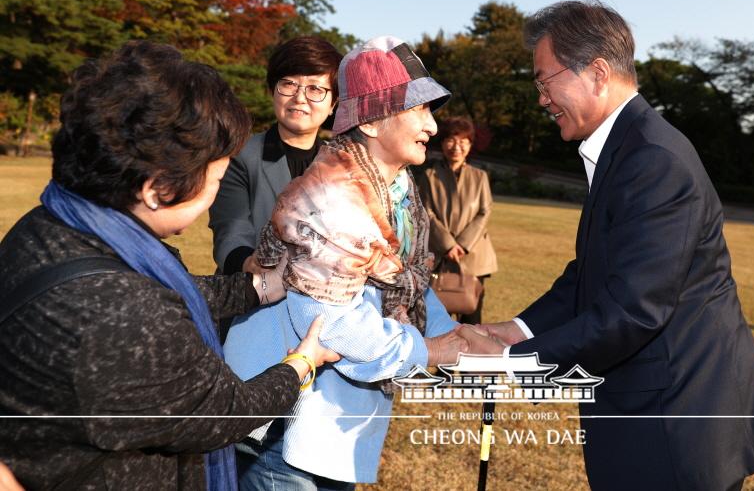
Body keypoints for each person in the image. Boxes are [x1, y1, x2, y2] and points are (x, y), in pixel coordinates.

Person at [470, 0, 754, 490]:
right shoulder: (626, 147)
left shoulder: (652, 159)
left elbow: (635, 310)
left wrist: (512, 366)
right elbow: (590, 273)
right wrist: (516, 330)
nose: (541, 99)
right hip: (657, 412)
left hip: (676, 424)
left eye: (544, 80)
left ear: (597, 72)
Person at [0, 42, 339, 490]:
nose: (216, 192)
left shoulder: (50, 225)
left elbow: (165, 290)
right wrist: (302, 363)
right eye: (215, 179)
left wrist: (257, 288)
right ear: (158, 189)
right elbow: (226, 412)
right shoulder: (124, 318)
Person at [223, 36, 468, 489]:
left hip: (328, 422)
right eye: (419, 110)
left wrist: (457, 336)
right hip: (286, 424)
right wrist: (431, 350)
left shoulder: (398, 190)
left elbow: (406, 279)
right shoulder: (333, 197)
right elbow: (332, 323)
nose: (432, 127)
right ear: (373, 122)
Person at [209, 35, 343, 338]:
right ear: (273, 90)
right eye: (289, 84)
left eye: (315, 89)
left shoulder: (341, 168)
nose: (299, 97)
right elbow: (230, 227)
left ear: (334, 102)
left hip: (322, 316)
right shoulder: (241, 155)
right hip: (251, 307)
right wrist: (248, 262)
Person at [418, 116, 498, 324]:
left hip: (473, 258)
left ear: (470, 145)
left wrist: (462, 244)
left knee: (472, 317)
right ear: (443, 143)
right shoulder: (429, 175)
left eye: (463, 141)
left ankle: (471, 357)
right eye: (451, 140)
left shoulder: (480, 177)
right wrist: (448, 244)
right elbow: (426, 212)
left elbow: (485, 211)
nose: (456, 147)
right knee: (437, 320)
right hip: (439, 257)